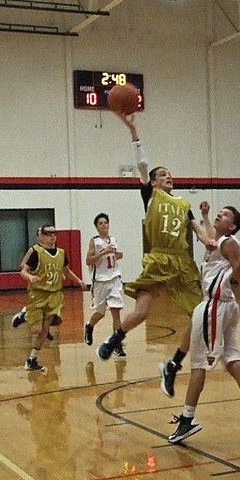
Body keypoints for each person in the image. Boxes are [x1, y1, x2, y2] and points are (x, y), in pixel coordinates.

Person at [97, 114, 215, 401]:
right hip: (160, 259)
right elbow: (142, 163)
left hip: (183, 264)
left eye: (170, 174)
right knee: (142, 312)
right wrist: (134, 131)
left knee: (200, 317)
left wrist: (207, 223)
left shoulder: (184, 204)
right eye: (163, 174)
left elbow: (202, 236)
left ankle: (172, 365)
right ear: (152, 181)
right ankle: (116, 338)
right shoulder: (151, 196)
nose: (168, 177)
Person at [167, 205, 240, 446]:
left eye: (225, 215)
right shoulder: (219, 241)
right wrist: (203, 216)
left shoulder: (229, 243)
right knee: (233, 361)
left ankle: (188, 419)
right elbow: (209, 237)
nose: (219, 215)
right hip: (223, 306)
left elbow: (239, 271)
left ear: (232, 225)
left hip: (215, 306)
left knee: (198, 364)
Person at [20, 225, 86, 372]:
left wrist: (79, 281)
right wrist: (30, 276)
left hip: (54, 295)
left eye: (54, 233)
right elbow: (23, 270)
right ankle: (25, 315)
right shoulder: (36, 252)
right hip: (38, 295)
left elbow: (66, 271)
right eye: (48, 233)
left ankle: (32, 359)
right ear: (41, 236)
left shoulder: (61, 253)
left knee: (44, 330)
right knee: (37, 329)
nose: (52, 236)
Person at [83, 213, 125, 356]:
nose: (103, 225)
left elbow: (114, 257)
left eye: (105, 222)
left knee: (116, 313)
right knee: (100, 313)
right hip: (100, 282)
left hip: (114, 280)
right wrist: (103, 253)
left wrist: (117, 255)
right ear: (96, 227)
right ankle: (89, 326)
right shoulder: (94, 242)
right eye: (100, 223)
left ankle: (117, 345)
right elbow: (88, 261)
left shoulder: (113, 239)